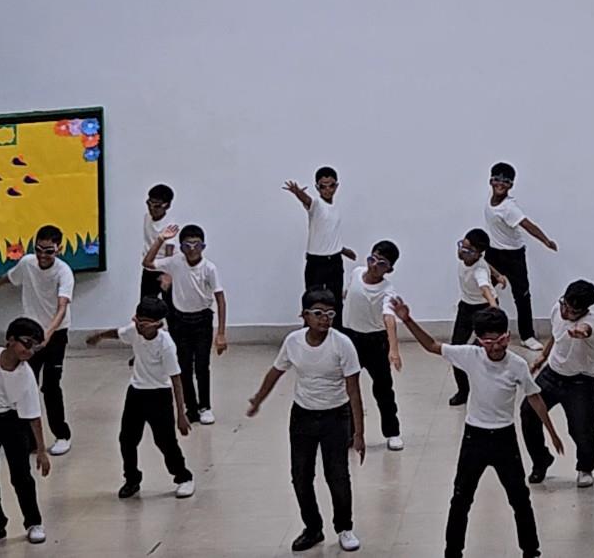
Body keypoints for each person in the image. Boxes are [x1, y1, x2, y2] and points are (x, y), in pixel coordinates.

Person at [393, 300, 560, 558]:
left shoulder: (517, 365)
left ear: (508, 336)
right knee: (461, 499)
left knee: (519, 499)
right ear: (480, 341)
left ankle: (531, 551)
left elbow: (534, 397)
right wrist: (407, 320)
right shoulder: (470, 356)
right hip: (475, 438)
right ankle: (452, 552)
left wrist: (552, 432)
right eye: (488, 342)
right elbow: (432, 346)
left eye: (500, 340)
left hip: (505, 439)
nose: (495, 347)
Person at [248, 290, 368, 552]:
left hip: (336, 417)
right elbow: (276, 372)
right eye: (318, 313)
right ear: (304, 315)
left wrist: (359, 433)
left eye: (330, 314)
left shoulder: (343, 344)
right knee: (300, 476)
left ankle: (344, 528)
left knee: (337, 475)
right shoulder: (293, 342)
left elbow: (354, 391)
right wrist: (258, 399)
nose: (324, 319)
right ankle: (313, 528)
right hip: (303, 415)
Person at [86, 297, 195, 500]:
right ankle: (132, 480)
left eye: (143, 324)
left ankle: (184, 477)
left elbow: (176, 379)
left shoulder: (166, 345)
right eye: (137, 321)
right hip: (136, 392)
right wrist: (99, 336)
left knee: (165, 442)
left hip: (159, 395)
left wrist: (181, 414)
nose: (138, 327)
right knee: (127, 440)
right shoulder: (134, 331)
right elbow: (118, 333)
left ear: (157, 324)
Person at [0, 224, 75, 455]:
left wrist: (48, 334)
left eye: (49, 251)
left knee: (51, 386)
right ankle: (29, 440)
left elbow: (62, 308)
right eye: (38, 249)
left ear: (59, 249)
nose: (42, 255)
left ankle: (62, 435)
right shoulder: (27, 263)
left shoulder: (64, 272)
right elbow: (12, 276)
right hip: (30, 334)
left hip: (55, 334)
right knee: (26, 383)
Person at [0, 317, 52, 546]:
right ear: (10, 340)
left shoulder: (25, 376)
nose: (29, 351)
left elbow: (34, 417)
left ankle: (33, 522)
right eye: (27, 343)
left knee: (21, 475)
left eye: (35, 347)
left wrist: (42, 450)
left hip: (12, 422)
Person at [143, 223, 227, 426]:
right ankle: (191, 408)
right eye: (187, 245)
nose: (192, 249)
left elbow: (220, 300)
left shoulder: (209, 268)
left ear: (203, 246)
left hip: (203, 321)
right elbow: (148, 262)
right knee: (184, 366)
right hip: (180, 321)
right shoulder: (175, 262)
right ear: (180, 247)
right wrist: (160, 239)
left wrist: (221, 333)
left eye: (197, 245)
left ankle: (205, 406)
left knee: (202, 365)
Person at [521, 279, 594, 488]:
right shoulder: (557, 309)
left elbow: (587, 329)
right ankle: (541, 460)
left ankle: (585, 468)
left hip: (582, 380)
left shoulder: (591, 322)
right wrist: (542, 357)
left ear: (584, 310)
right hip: (553, 373)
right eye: (565, 305)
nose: (566, 312)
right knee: (528, 412)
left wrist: (581, 332)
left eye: (572, 311)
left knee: (581, 427)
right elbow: (556, 335)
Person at [482, 162, 560, 351]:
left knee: (522, 296)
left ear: (511, 185)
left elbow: (528, 225)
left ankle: (527, 336)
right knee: (484, 291)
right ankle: (485, 331)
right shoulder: (490, 201)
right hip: (493, 253)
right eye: (497, 179)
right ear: (491, 181)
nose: (500, 184)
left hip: (513, 256)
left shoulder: (510, 208)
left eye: (506, 181)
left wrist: (546, 241)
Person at [339, 240, 406, 451]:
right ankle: (349, 433)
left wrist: (393, 349)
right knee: (347, 387)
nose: (374, 265)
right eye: (372, 259)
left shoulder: (387, 291)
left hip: (375, 342)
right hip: (349, 339)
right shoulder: (356, 273)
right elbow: (348, 294)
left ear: (389, 269)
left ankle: (392, 432)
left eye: (381, 263)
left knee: (383, 388)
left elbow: (389, 319)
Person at [285, 168, 357, 313]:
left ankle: (336, 327)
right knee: (313, 300)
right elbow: (307, 200)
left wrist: (343, 250)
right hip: (316, 262)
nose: (328, 190)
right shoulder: (317, 204)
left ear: (336, 186)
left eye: (331, 185)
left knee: (336, 300)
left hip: (335, 261)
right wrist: (298, 193)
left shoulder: (335, 208)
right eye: (323, 186)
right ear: (317, 188)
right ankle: (310, 327)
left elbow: (329, 233)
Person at [447, 228, 506, 406]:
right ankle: (463, 391)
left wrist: (494, 308)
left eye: (468, 250)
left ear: (478, 253)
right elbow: (486, 263)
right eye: (462, 246)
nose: (462, 252)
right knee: (456, 350)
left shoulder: (479, 271)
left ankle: (490, 387)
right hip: (466, 306)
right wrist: (498, 275)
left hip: (484, 308)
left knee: (484, 351)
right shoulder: (472, 259)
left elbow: (485, 288)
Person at [140, 184, 177, 302]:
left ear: (167, 205)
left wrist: (168, 274)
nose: (151, 208)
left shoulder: (169, 225)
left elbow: (169, 252)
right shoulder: (147, 217)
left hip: (164, 268)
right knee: (146, 305)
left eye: (156, 206)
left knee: (168, 306)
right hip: (149, 268)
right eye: (149, 204)